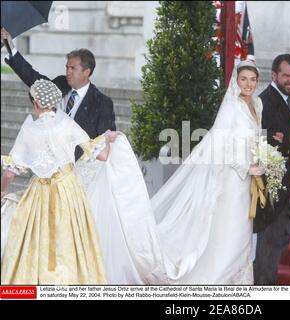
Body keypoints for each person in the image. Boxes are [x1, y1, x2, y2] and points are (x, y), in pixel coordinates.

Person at [77, 60, 265, 284]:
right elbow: (220, 145)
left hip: (249, 182)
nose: (248, 84)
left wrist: (263, 158)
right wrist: (246, 166)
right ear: (236, 81)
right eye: (243, 79)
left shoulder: (258, 105)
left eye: (252, 80)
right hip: (233, 179)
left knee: (243, 231)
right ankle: (218, 280)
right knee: (229, 231)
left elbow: (256, 137)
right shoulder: (232, 107)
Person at [0, 79, 119, 285]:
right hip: (68, 189)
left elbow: (10, 173)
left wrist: (2, 193)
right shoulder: (67, 124)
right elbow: (100, 155)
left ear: (36, 103)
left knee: (37, 239)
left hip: (39, 191)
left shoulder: (29, 129)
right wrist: (107, 138)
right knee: (70, 238)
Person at [0, 28, 116, 160]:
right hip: (49, 160)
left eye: (73, 68)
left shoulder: (102, 103)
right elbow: (33, 78)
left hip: (78, 169)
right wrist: (10, 46)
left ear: (87, 72)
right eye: (67, 67)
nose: (68, 72)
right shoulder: (60, 83)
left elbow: (104, 145)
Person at [253, 54, 290, 285]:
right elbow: (261, 141)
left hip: (285, 190)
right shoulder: (265, 101)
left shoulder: (284, 99)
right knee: (267, 255)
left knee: (275, 247)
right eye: (286, 75)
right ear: (274, 75)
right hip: (270, 194)